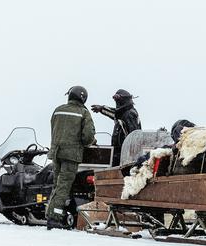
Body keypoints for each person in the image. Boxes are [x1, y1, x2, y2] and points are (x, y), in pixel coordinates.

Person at [46, 85, 96, 230]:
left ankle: (51, 213)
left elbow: (55, 130)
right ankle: (54, 218)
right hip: (71, 155)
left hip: (56, 152)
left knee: (56, 185)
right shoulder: (83, 113)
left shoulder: (58, 110)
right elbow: (87, 137)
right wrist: (90, 142)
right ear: (83, 98)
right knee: (64, 186)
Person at [91, 89, 142, 166]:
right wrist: (102, 109)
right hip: (119, 152)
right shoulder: (124, 113)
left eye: (117, 98)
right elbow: (115, 114)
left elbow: (134, 136)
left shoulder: (129, 114)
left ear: (123, 100)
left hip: (125, 153)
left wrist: (130, 154)